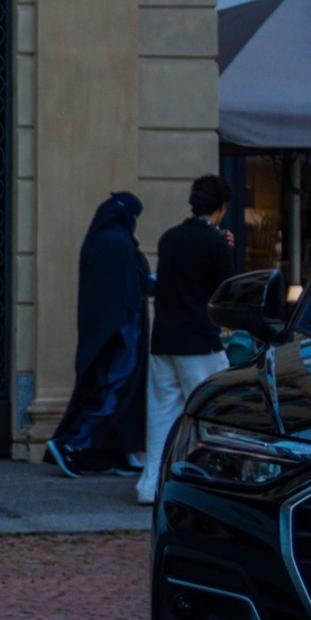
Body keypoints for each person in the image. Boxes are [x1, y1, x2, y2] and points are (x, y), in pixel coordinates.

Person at [135, 174, 238, 504]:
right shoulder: (215, 243)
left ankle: (150, 484)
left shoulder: (169, 238)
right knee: (214, 409)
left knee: (162, 414)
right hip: (199, 340)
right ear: (221, 207)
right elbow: (226, 290)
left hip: (164, 338)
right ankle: (215, 480)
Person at [47, 191, 149, 478]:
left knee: (114, 389)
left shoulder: (102, 238)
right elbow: (129, 289)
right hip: (121, 332)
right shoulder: (117, 242)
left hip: (109, 332)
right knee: (114, 389)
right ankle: (72, 443)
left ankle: (113, 451)